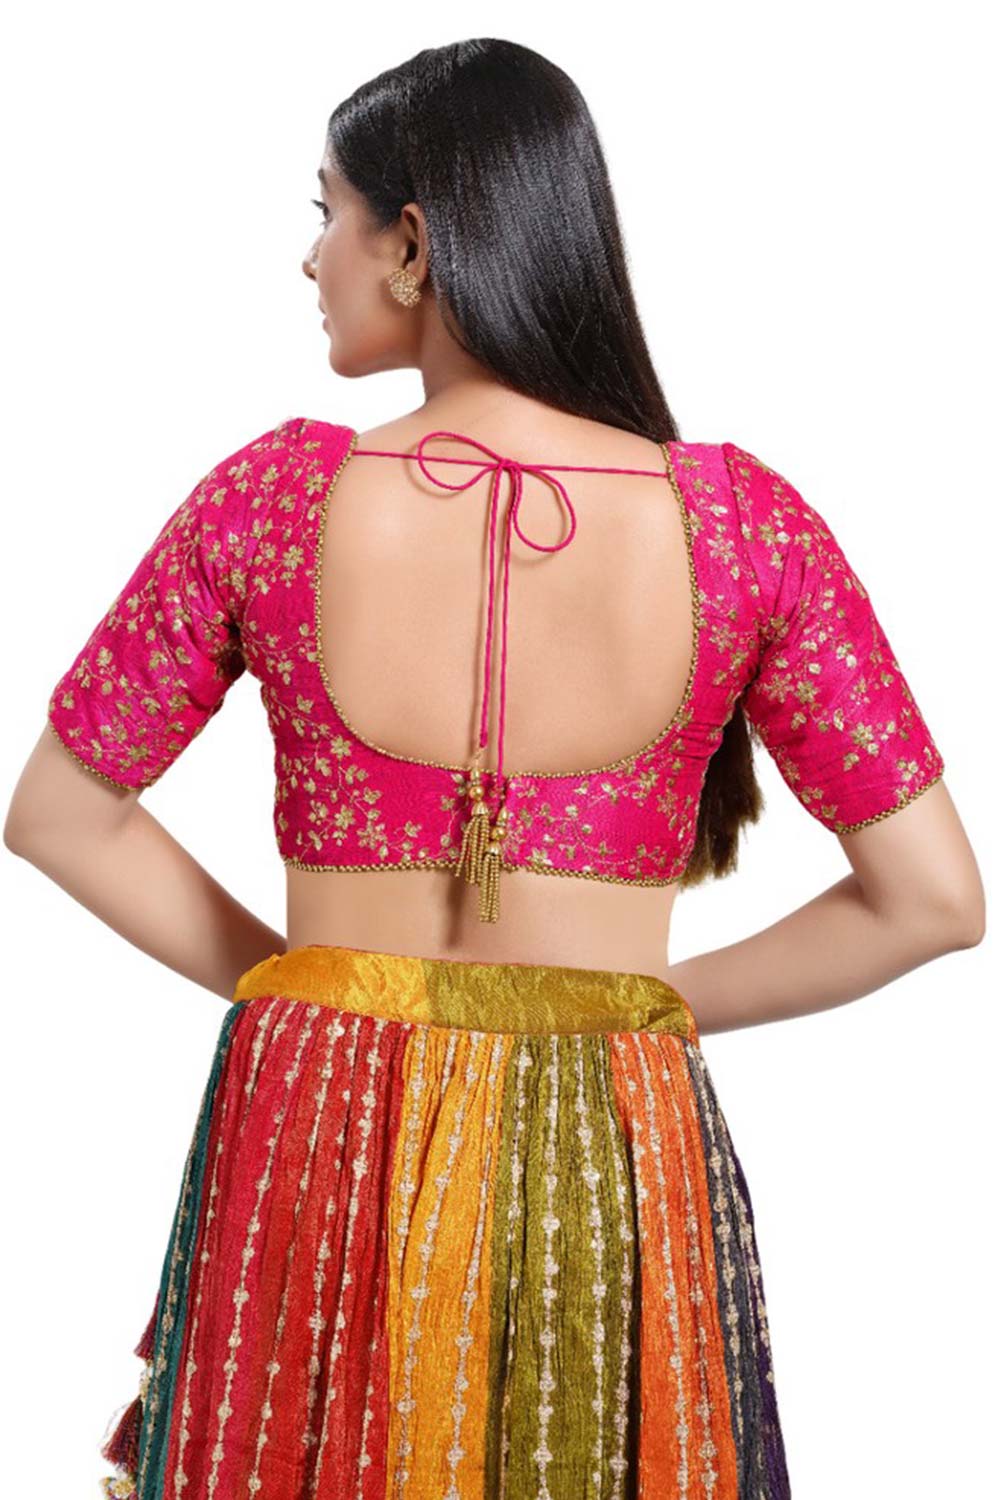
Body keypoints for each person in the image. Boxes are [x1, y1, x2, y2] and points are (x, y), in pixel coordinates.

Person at [4, 37, 984, 1500]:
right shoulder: (742, 526)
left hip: (315, 1117)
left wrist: (315, 987)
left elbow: (59, 815)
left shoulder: (274, 499)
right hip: (609, 1133)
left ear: (411, 242)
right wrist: (637, 1009)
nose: (310, 257)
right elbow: (934, 900)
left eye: (328, 212)